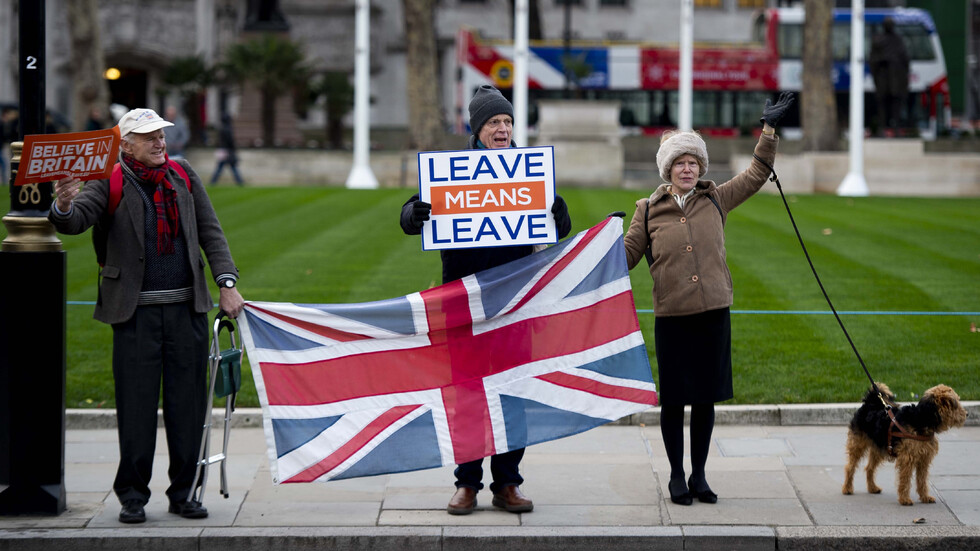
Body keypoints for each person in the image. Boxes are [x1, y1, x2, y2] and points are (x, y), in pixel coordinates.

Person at [48, 107, 245, 524]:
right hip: (134, 314)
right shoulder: (110, 179)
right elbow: (75, 222)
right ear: (127, 144)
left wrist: (226, 283)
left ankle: (185, 493)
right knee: (135, 408)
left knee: (189, 408)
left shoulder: (183, 173)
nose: (160, 143)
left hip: (186, 311)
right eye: (149, 136)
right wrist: (63, 205)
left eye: (161, 135)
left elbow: (211, 231)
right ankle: (133, 496)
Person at [399, 85, 572, 516]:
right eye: (494, 122)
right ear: (477, 128)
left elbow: (558, 225)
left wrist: (556, 207)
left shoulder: (529, 171)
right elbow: (411, 214)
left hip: (515, 301)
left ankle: (508, 482)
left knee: (512, 393)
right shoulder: (451, 170)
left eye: (508, 122)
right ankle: (468, 483)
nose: (503, 129)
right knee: (469, 393)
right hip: (464, 302)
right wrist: (413, 213)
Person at [623, 92, 794, 507]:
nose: (686, 168)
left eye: (693, 162)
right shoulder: (647, 210)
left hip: (713, 314)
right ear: (668, 169)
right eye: (679, 163)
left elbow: (757, 172)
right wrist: (604, 241)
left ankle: (700, 475)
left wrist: (768, 131)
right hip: (673, 317)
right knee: (674, 400)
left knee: (704, 398)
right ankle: (677, 475)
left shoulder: (716, 197)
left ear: (700, 168)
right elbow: (625, 257)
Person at [869, 17, 910, 135]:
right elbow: (873, 60)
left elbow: (905, 59)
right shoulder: (878, 41)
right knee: (882, 103)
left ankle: (896, 127)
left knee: (896, 102)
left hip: (896, 78)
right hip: (883, 77)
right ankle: (882, 127)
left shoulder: (898, 40)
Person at [210, 113, 243, 186]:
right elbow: (230, 141)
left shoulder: (221, 128)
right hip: (228, 151)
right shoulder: (228, 129)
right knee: (233, 167)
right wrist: (234, 149)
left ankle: (213, 182)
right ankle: (240, 182)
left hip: (222, 150)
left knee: (220, 167)